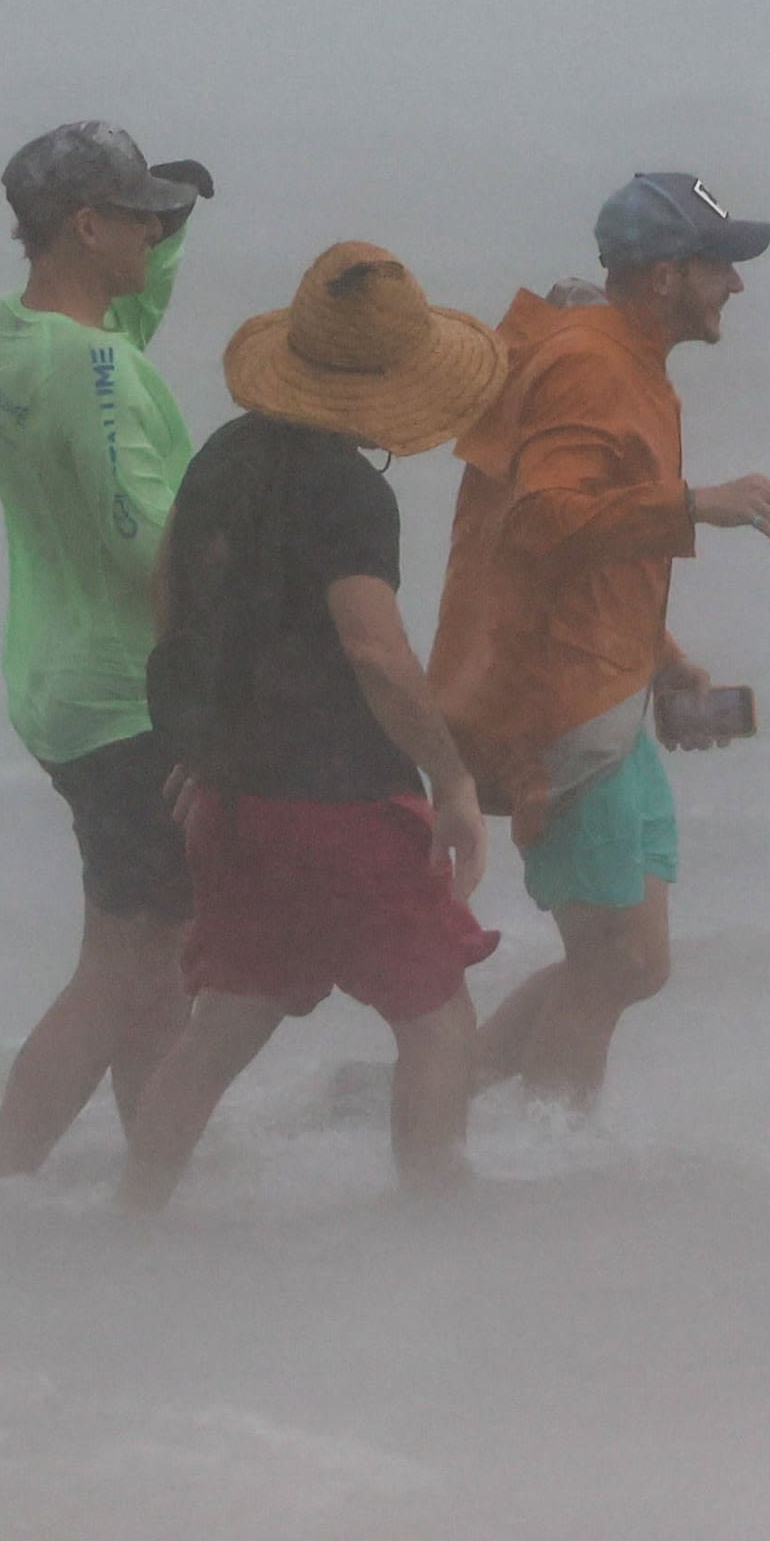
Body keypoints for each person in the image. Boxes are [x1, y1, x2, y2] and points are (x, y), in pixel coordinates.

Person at [115, 244, 509, 1212]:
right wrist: (452, 782)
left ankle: (128, 1222)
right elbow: (374, 653)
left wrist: (201, 751)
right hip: (339, 806)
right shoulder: (347, 492)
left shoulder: (220, 460)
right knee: (435, 1017)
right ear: (386, 384)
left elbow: (168, 598)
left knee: (219, 1030)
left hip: (239, 803)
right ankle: (431, 1227)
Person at [435, 172, 770, 1113]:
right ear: (668, 274)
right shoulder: (593, 363)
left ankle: (447, 1091)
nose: (739, 287)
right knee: (616, 958)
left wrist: (664, 652)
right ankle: (550, 1161)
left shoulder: (624, 358)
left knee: (629, 963)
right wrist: (695, 505)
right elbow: (542, 521)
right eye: (722, 267)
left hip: (611, 681)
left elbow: (581, 537)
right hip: (559, 700)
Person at [0, 121, 216, 1178]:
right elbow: (142, 541)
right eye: (136, 215)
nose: (151, 237)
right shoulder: (102, 369)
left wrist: (174, 212)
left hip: (54, 684)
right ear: (84, 224)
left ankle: (152, 1190)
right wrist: (231, 655)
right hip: (130, 700)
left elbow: (120, 320)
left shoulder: (5, 333)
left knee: (153, 970)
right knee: (121, 974)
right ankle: (0, 1178)